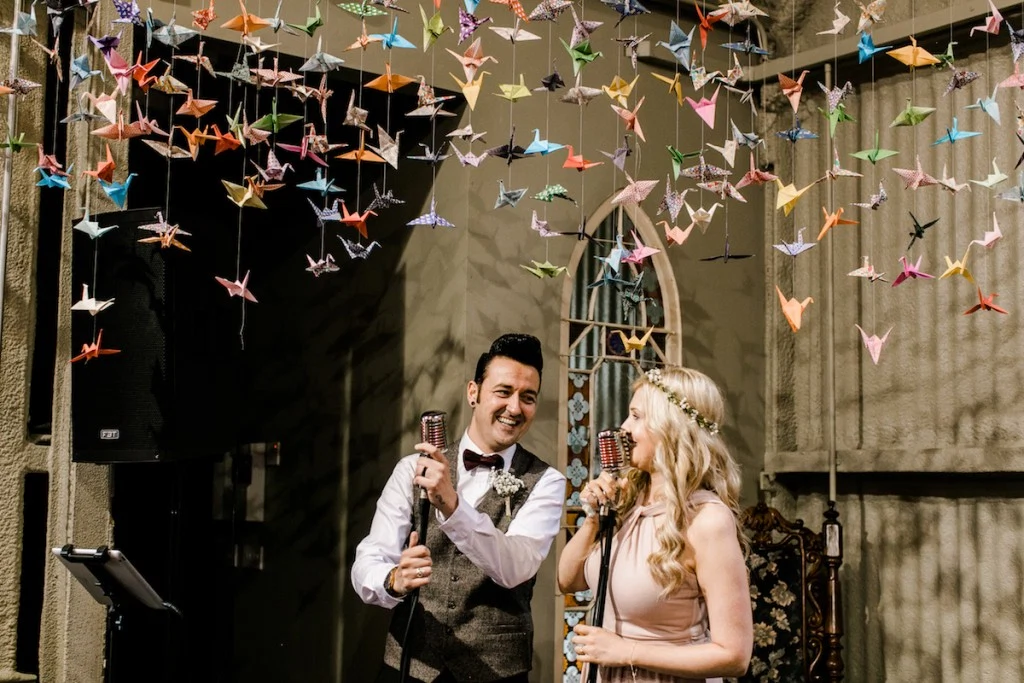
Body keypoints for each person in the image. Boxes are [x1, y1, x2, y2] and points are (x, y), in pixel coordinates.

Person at [351, 333, 567, 683]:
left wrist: (452, 505)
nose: (515, 408)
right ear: (473, 393)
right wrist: (393, 579)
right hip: (411, 664)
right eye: (503, 392)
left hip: (496, 673)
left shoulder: (547, 481)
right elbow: (368, 561)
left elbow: (516, 567)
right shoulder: (411, 469)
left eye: (528, 397)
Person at [557, 367, 752, 683]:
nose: (624, 427)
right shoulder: (628, 498)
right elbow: (569, 581)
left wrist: (626, 651)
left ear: (671, 427)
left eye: (636, 416)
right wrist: (594, 517)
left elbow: (734, 656)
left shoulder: (707, 520)